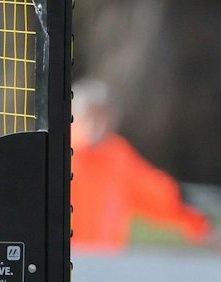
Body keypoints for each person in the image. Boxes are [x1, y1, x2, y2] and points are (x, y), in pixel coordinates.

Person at [70, 78, 213, 254]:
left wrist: (201, 223)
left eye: (104, 116)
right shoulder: (58, 154)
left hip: (104, 266)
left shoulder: (118, 157)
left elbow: (161, 197)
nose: (97, 125)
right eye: (90, 115)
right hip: (60, 264)